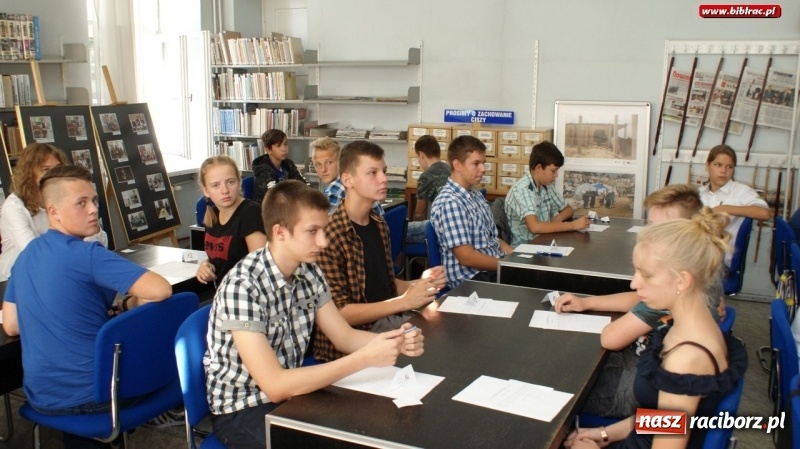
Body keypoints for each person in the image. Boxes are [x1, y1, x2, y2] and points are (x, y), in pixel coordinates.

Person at [205, 180, 425, 449]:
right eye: (312, 231)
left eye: (323, 230)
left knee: (371, 427)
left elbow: (343, 337)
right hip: (243, 407)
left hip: (292, 390)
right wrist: (364, 358)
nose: (323, 241)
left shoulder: (308, 270)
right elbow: (275, 386)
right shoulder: (242, 287)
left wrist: (395, 341)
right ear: (280, 232)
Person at [2, 165, 172, 449]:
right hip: (98, 396)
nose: (94, 210)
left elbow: (11, 325)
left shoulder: (26, 255)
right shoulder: (89, 254)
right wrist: (127, 303)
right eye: (81, 203)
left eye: (94, 200)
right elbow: (161, 289)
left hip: (43, 396)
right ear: (53, 212)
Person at [564, 209, 748, 449]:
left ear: (682, 280)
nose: (634, 283)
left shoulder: (686, 358)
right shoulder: (685, 327)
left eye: (647, 275)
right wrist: (604, 434)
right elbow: (663, 416)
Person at [554, 184, 724, 417]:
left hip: (626, 389)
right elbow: (670, 419)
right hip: (638, 377)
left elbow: (670, 425)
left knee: (555, 380)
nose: (634, 283)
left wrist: (606, 433)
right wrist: (587, 302)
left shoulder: (685, 354)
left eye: (660, 228)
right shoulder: (695, 284)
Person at [314, 141, 445, 361]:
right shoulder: (329, 235)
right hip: (353, 341)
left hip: (386, 321)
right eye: (372, 173)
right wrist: (405, 301)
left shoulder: (378, 224)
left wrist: (420, 285)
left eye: (383, 171)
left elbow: (385, 284)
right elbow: (339, 313)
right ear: (348, 180)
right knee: (437, 348)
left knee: (447, 330)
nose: (384, 179)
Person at [0, 143, 107, 282]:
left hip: (61, 271)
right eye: (46, 170)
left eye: (57, 168)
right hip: (16, 280)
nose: (53, 175)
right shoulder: (14, 207)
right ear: (29, 174)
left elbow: (98, 243)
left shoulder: (64, 198)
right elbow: (35, 253)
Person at [430, 135, 514, 289]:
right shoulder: (450, 202)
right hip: (471, 279)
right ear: (457, 165)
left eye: (483, 163)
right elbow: (467, 258)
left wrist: (515, 256)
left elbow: (492, 239)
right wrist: (507, 265)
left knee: (539, 276)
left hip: (490, 269)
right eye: (476, 163)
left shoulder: (475, 194)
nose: (483, 169)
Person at [196, 156, 266, 287]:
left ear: (239, 182)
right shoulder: (213, 214)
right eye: (215, 185)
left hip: (247, 293)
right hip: (223, 291)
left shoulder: (251, 213)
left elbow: (259, 267)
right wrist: (206, 264)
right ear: (206, 191)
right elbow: (225, 258)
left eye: (230, 182)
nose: (225, 191)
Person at [504, 141, 590, 246]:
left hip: (545, 241)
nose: (556, 175)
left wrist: (556, 220)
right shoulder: (523, 189)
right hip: (527, 247)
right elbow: (535, 227)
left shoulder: (546, 185)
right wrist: (573, 225)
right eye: (553, 171)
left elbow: (568, 209)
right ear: (538, 168)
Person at [699, 144, 769, 243]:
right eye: (718, 165)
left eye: (729, 167)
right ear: (707, 165)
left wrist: (724, 209)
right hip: (698, 248)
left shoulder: (742, 191)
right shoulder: (698, 193)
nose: (723, 171)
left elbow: (765, 213)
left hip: (724, 250)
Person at [312, 136, 384, 216]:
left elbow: (324, 223)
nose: (323, 169)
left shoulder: (334, 191)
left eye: (329, 162)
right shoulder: (357, 180)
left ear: (340, 162)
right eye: (318, 164)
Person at [408, 135, 450, 243]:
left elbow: (419, 214)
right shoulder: (450, 169)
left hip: (441, 229)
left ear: (421, 155)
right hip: (455, 225)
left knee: (400, 231)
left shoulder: (426, 177)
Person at [252, 129, 309, 204]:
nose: (284, 149)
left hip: (288, 205)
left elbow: (304, 185)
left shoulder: (288, 164)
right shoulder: (262, 170)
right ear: (268, 150)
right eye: (278, 146)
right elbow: (274, 197)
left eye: (285, 144)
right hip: (268, 209)